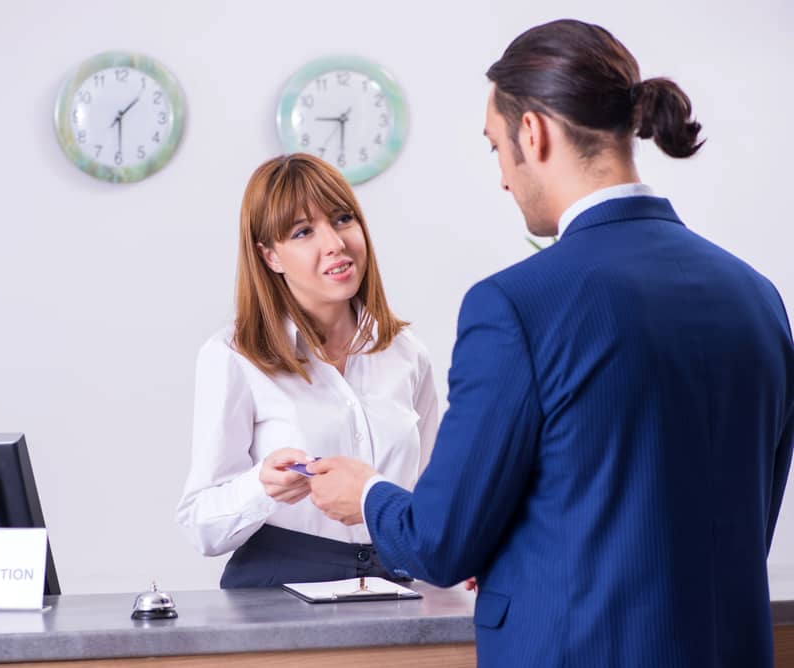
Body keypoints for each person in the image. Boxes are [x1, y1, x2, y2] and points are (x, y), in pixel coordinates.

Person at [308, 18, 794, 667]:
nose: (504, 178)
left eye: (496, 149)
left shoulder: (515, 305)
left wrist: (367, 494)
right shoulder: (757, 297)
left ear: (532, 132)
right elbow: (719, 521)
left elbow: (440, 543)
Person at [175, 152, 438, 588]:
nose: (335, 243)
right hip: (277, 589)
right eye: (303, 232)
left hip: (392, 584)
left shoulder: (407, 354)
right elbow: (199, 524)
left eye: (342, 219)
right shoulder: (233, 356)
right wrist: (263, 487)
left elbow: (431, 498)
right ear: (270, 256)